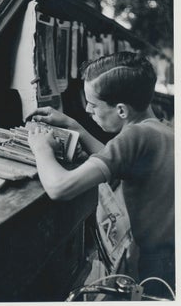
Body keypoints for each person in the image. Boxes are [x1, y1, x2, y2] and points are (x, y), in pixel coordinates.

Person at [27, 52, 175, 298]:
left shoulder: (135, 137)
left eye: (93, 104)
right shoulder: (158, 131)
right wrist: (75, 127)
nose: (87, 109)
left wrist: (41, 148)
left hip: (161, 265)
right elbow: (119, 161)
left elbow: (60, 188)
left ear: (121, 110)